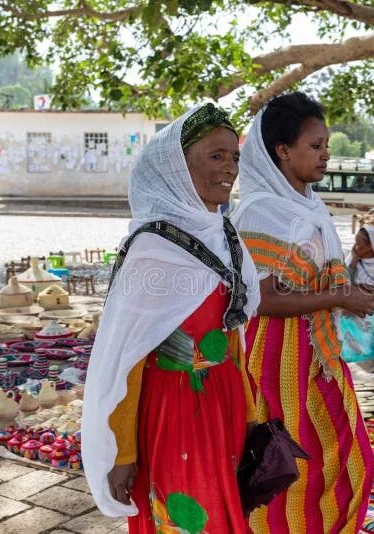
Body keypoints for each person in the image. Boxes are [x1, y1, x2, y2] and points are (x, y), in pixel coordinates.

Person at [81, 104, 261, 533]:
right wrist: (123, 453)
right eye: (216, 156)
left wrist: (252, 415)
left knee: (225, 513)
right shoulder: (152, 251)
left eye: (234, 156)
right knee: (188, 519)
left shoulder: (225, 236)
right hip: (174, 411)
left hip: (227, 404)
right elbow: (128, 358)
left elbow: (233, 336)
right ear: (176, 166)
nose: (230, 168)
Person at [231, 92, 374, 533]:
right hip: (275, 361)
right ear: (282, 151)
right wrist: (337, 298)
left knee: (349, 462)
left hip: (317, 355)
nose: (325, 154)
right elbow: (264, 299)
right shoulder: (261, 212)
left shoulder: (306, 205)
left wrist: (351, 289)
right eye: (315, 146)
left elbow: (309, 279)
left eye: (326, 145)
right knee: (288, 473)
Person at [340, 225, 374, 368]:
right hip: (354, 301)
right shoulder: (355, 261)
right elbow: (345, 284)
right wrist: (354, 263)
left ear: (371, 246)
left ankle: (367, 353)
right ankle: (351, 351)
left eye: (358, 244)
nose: (354, 247)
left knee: (369, 316)